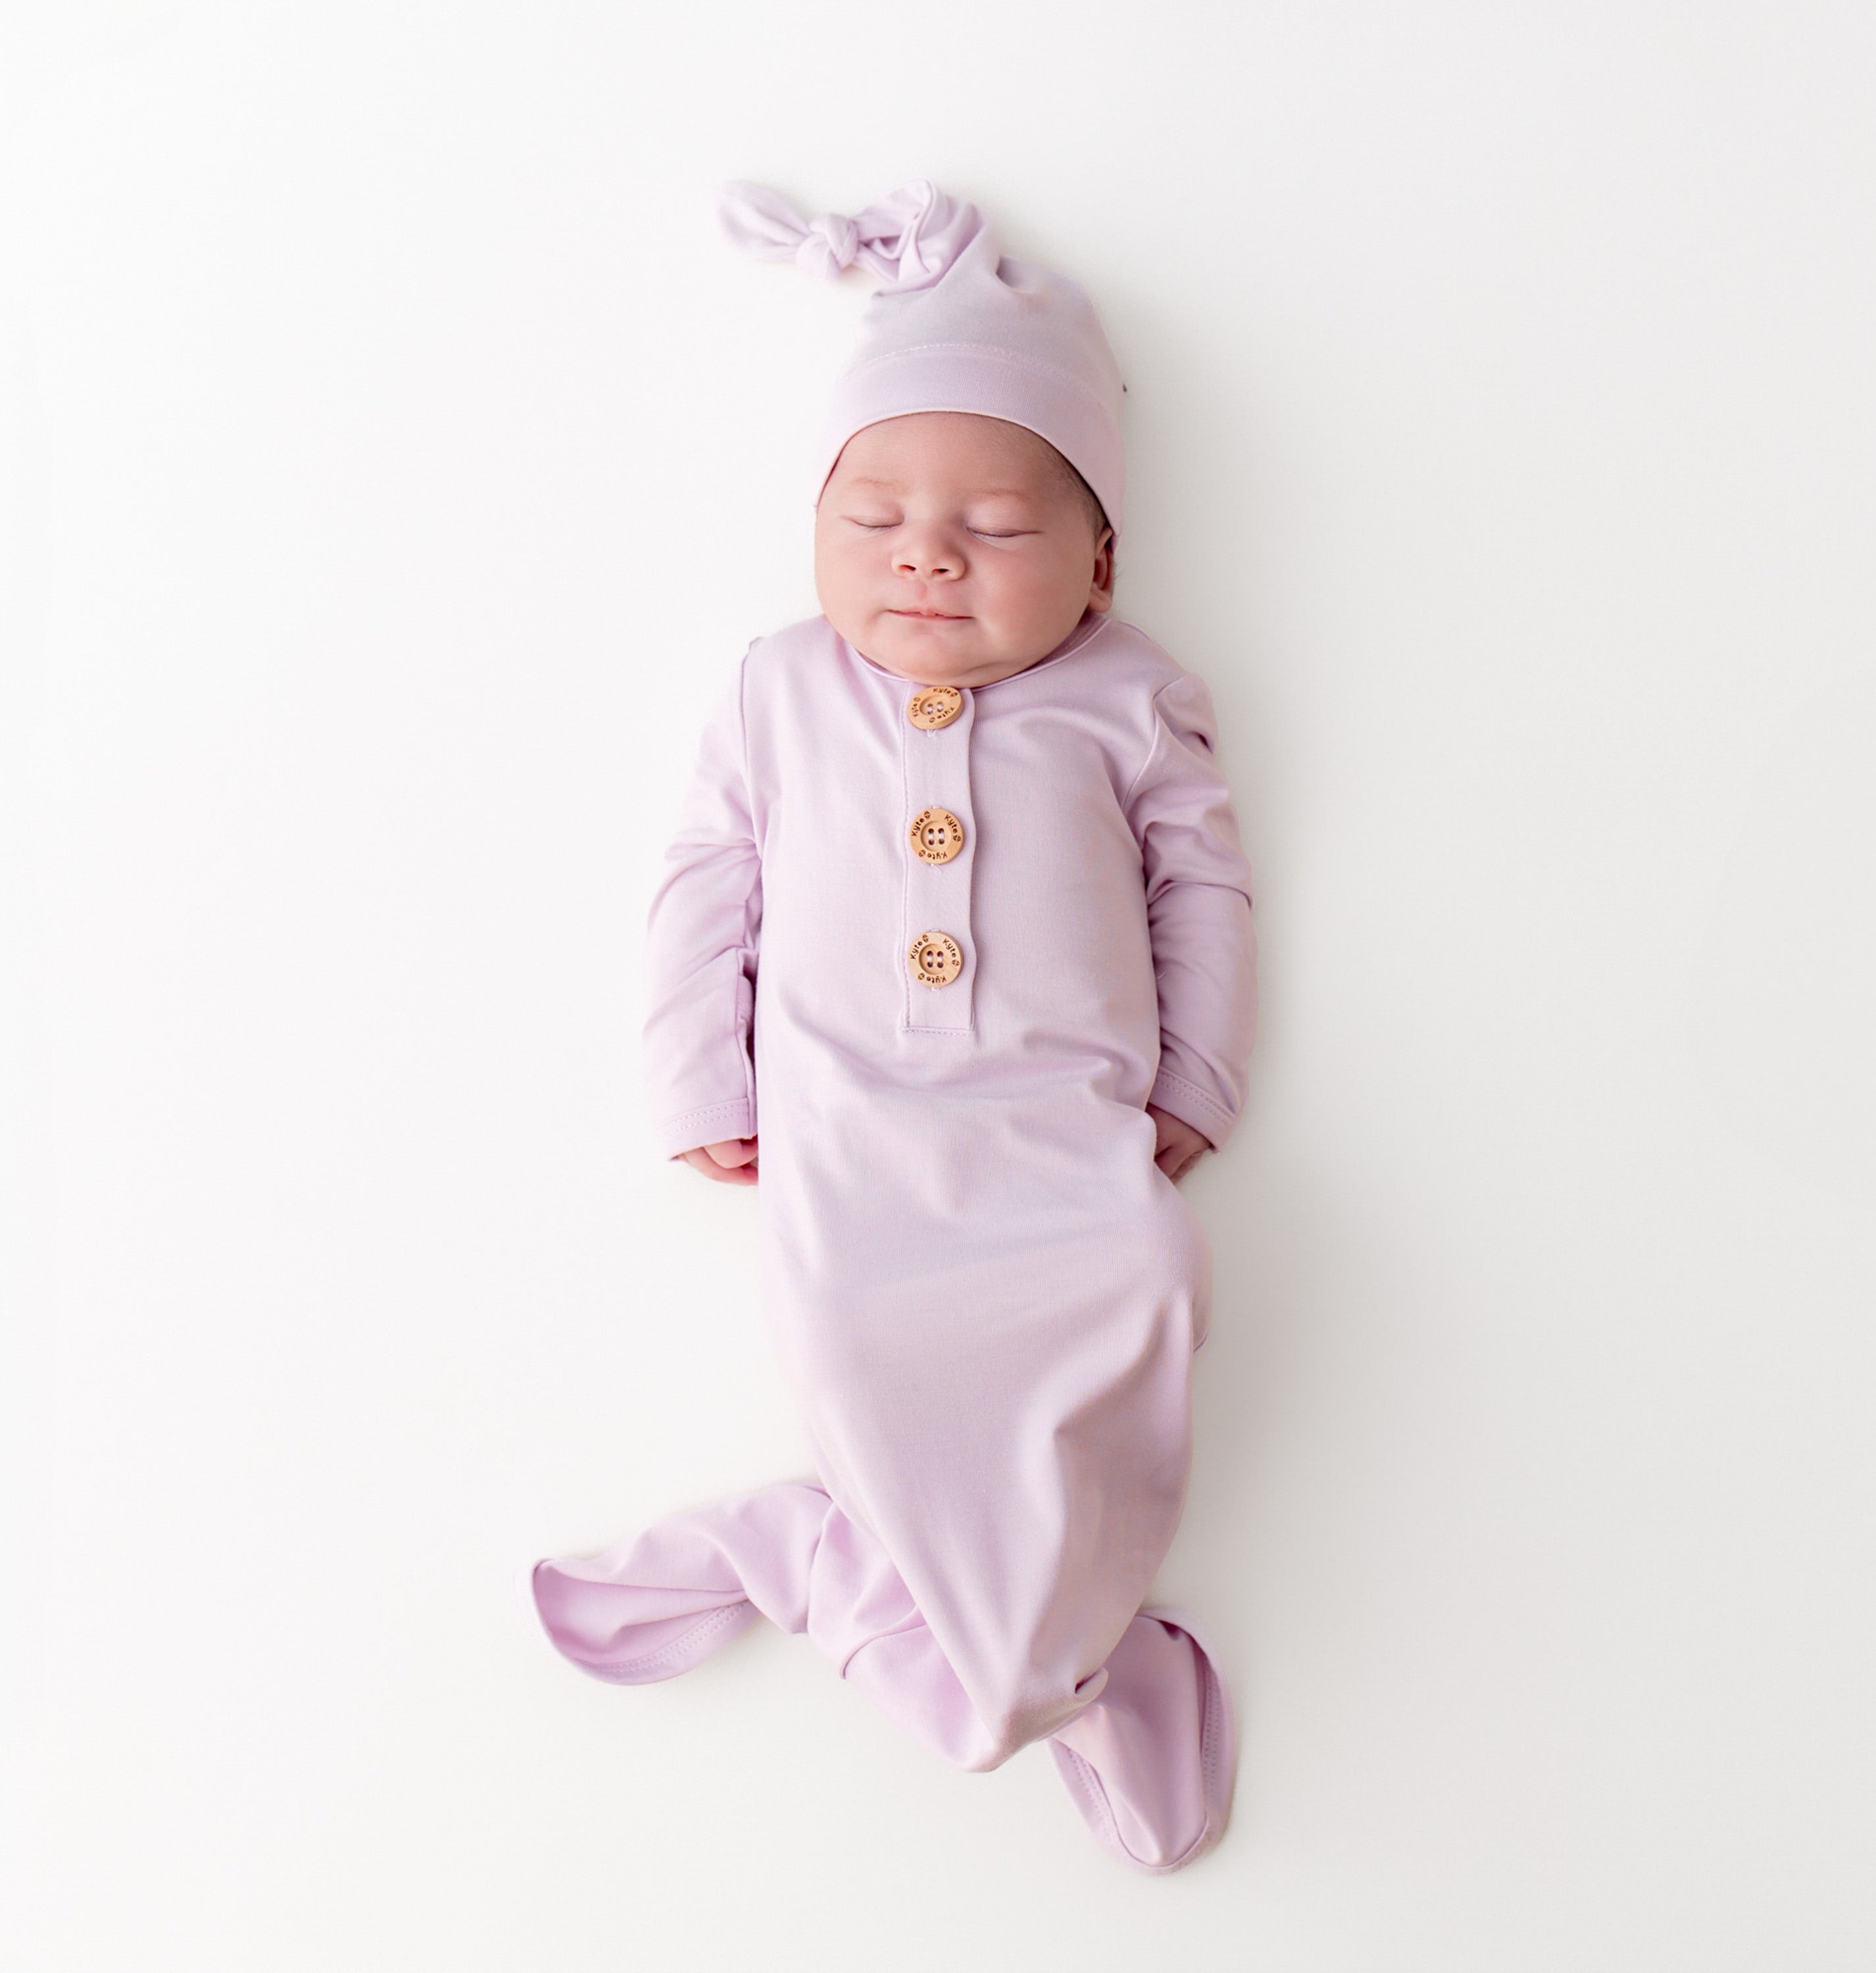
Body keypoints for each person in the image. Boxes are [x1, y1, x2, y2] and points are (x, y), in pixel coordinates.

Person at [527, 180, 1260, 1874]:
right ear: (817, 530)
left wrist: (1201, 1081)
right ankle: (1033, 1665)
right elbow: (704, 879)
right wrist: (700, 1070)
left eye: (996, 525)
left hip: (1073, 1150)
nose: (926, 552)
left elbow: (1208, 893)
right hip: (850, 1146)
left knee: (1151, 1313)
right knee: (863, 1372)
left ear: (1101, 560)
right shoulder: (780, 688)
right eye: (873, 517)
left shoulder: (1130, 694)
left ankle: (886, 1594)